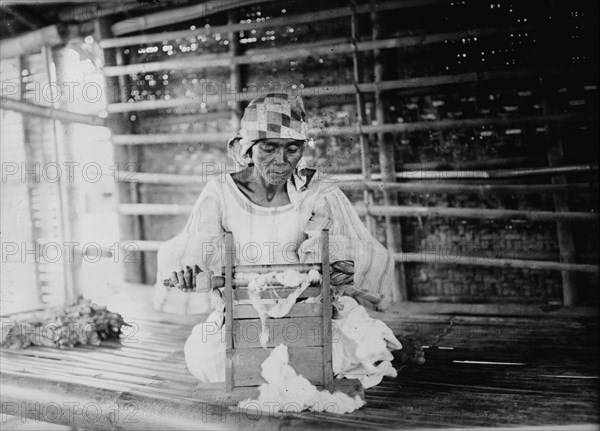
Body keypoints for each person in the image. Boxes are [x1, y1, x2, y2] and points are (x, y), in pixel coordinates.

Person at [153, 92, 396, 315]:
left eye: (292, 149)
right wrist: (190, 273)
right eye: (269, 148)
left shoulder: (316, 190)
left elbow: (359, 252)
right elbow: (194, 251)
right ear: (248, 149)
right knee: (213, 358)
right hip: (244, 312)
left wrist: (343, 268)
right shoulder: (221, 192)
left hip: (310, 309)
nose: (281, 161)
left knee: (355, 351)